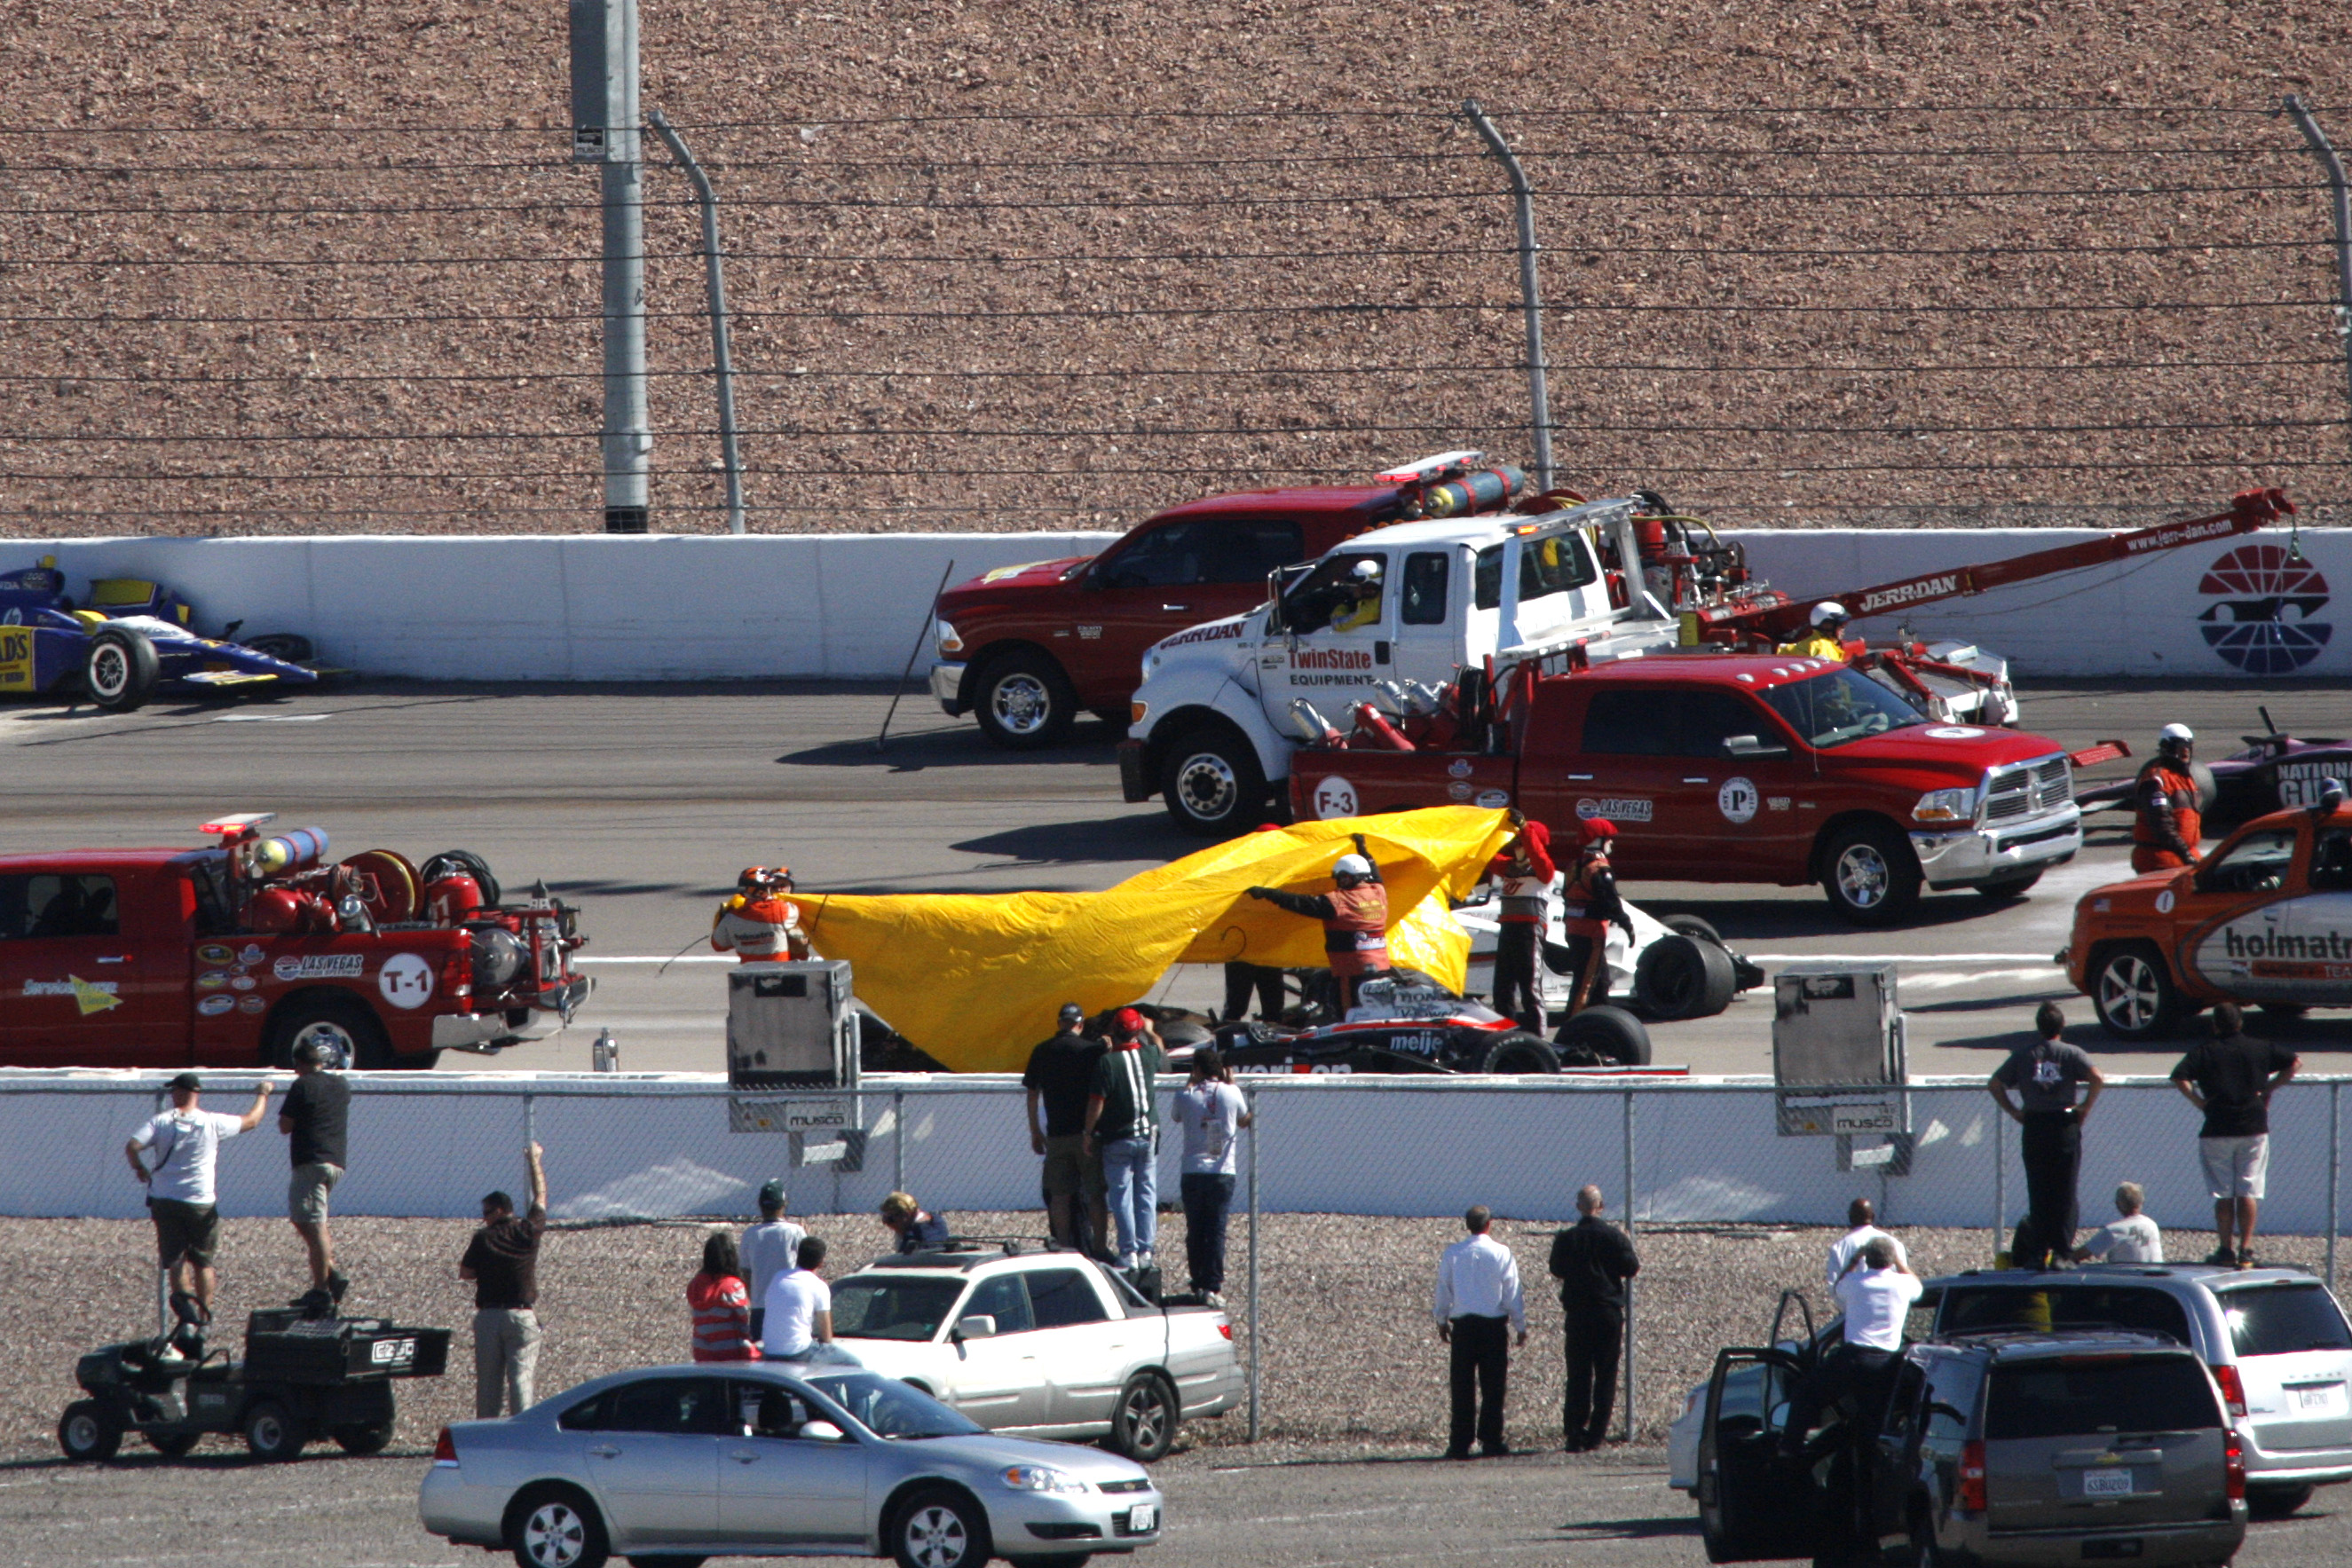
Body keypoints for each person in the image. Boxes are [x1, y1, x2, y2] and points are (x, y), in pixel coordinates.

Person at [125, 1071, 273, 1326]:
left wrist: (140, 1168)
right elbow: (251, 1121)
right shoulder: (212, 1122)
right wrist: (263, 1094)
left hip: (166, 1199)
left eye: (174, 1091)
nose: (172, 1095)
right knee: (203, 1261)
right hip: (200, 1202)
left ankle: (186, 1318)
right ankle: (205, 1317)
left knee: (176, 1260)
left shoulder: (160, 1122)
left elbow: (133, 1146)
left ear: (181, 1092)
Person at [2171, 1003, 2300, 1267]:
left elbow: (2179, 1076)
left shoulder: (2204, 1051)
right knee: (2249, 1189)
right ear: (2240, 1022)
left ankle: (2225, 1248)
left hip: (2217, 1126)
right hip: (2253, 1125)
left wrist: (2199, 1102)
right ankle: (2247, 1248)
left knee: (2223, 1193)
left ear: (2215, 1024)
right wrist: (2268, 1089)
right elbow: (2294, 1062)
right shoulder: (2259, 1047)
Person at [1781, 1236, 1919, 1460]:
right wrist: (1901, 1265)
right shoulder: (1904, 1284)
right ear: (1891, 1260)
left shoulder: (1855, 1282)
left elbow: (1838, 1288)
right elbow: (1917, 1287)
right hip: (1887, 1363)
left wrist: (1855, 1259)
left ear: (1868, 1258)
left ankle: (1791, 1447)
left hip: (1853, 1358)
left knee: (1806, 1394)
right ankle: (1872, 1463)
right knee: (1873, 1420)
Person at [1988, 1001, 2103, 1268]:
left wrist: (2015, 1111)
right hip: (2063, 1124)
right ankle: (2063, 1251)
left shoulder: (2024, 1054)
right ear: (2062, 1026)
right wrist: (2085, 1107)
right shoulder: (2071, 1053)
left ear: (2039, 1027)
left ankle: (2039, 1250)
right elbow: (2097, 1077)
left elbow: (1995, 1084)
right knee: (2065, 1190)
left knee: (2039, 1190)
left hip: (2035, 1124)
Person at [1244, 831, 1391, 1011]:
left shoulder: (1339, 901)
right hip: (1381, 968)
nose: (1339, 883)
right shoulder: (1378, 892)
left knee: (1350, 1012)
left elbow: (1300, 903)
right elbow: (1374, 874)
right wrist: (1363, 850)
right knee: (1378, 1009)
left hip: (1351, 971)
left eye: (1342, 878)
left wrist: (1268, 893)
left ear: (1350, 878)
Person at [460, 1140, 548, 1418]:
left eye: (487, 1212)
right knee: (521, 1379)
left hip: (489, 1316)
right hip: (521, 1315)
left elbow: (465, 1273)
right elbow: (541, 1197)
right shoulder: (528, 1231)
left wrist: (487, 1270)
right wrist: (535, 1160)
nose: (483, 1218)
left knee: (488, 1385)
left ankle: (486, 1434)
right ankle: (524, 1434)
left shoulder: (483, 1238)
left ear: (499, 1210)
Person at [1549, 1184, 1639, 1453]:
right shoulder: (1614, 1237)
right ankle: (1597, 1434)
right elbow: (1631, 1268)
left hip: (1578, 1312)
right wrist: (1626, 1244)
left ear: (1579, 1207)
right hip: (1607, 1311)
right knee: (1606, 1373)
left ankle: (1575, 1433)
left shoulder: (1567, 1239)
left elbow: (1557, 1268)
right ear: (1601, 1207)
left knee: (1578, 1373)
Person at [1433, 1204, 1527, 1460]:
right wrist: (1520, 1325)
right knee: (1493, 1386)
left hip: (1463, 1326)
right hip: (1493, 1326)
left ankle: (1460, 1442)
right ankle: (1491, 1439)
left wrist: (1441, 1320)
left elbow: (1444, 1288)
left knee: (1462, 1386)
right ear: (1489, 1224)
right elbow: (1511, 1291)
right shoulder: (1501, 1253)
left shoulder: (1453, 1253)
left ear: (1467, 1225)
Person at [1084, 1007, 1165, 1273]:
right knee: (1146, 1193)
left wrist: (1088, 1133)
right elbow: (1159, 1048)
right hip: (1147, 1135)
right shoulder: (1148, 1056)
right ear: (1137, 1030)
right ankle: (1146, 1251)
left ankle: (1128, 1251)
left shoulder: (1107, 1063)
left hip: (1118, 1137)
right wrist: (1151, 1032)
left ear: (1115, 1032)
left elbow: (1096, 1103)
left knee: (1121, 1196)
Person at [1024, 1002, 1109, 1252]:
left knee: (1059, 1195)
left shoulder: (1042, 1050)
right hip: (1087, 1134)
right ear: (1080, 1024)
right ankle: (1100, 1246)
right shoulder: (1091, 1051)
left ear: (1059, 1023)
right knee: (1095, 1194)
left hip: (1057, 1135)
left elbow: (1032, 1094)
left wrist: (1035, 1131)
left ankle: (1062, 1246)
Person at [1172, 1046, 1251, 1306]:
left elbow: (1176, 1117)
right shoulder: (1231, 1092)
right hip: (1222, 1172)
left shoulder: (1186, 1095)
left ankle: (1198, 1282)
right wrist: (1232, 1084)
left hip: (1193, 1171)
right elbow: (1244, 1119)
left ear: (1196, 1069)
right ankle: (1213, 1285)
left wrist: (1189, 1083)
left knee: (1195, 1229)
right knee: (1216, 1229)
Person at [279, 1039, 351, 1306]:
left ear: (299, 1064)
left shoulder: (302, 1085)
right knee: (311, 1219)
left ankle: (322, 1288)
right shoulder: (341, 1085)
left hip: (311, 1160)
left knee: (310, 1222)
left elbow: (285, 1125)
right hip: (336, 1161)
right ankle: (329, 1272)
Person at [1485, 811, 1558, 1032]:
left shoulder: (1544, 870)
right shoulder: (1508, 867)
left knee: (1530, 988)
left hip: (1530, 931)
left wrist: (1525, 829)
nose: (1515, 842)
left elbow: (1538, 855)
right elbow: (1485, 856)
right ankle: (1503, 1032)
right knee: (1502, 989)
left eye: (1520, 839)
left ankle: (1538, 1035)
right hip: (1508, 929)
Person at [1559, 818, 1629, 1014]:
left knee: (1601, 980)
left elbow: (1567, 896)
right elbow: (1611, 901)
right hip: (1591, 933)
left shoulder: (1573, 867)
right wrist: (1626, 923)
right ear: (1599, 840)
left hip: (1573, 929)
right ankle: (1573, 1024)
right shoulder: (1600, 870)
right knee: (1586, 983)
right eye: (1609, 839)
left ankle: (1600, 1017)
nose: (1611, 843)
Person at [762, 1236, 859, 1365]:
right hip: (799, 1352)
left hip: (770, 1351)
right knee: (854, 1363)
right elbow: (826, 1337)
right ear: (821, 1262)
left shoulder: (778, 1277)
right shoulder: (818, 1285)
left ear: (798, 1256)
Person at [2131, 724, 2203, 874]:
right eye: (2180, 747)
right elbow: (2161, 825)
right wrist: (2186, 854)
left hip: (2184, 856)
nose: (2185, 752)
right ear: (2167, 748)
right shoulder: (2156, 780)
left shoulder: (2186, 777)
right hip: (2160, 859)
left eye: (2188, 747)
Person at [739, 1180, 805, 1343]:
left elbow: (746, 1271)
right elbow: (806, 1265)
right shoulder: (795, 1231)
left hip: (760, 1305)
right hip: (788, 1302)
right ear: (783, 1205)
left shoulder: (750, 1234)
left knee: (760, 1352)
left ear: (760, 1206)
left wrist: (753, 1296)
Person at [710, 865, 810, 960]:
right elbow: (794, 913)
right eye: (771, 887)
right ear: (763, 890)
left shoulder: (731, 918)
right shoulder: (781, 909)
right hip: (781, 971)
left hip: (749, 973)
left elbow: (719, 945)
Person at [688, 1230, 760, 1361]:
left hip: (702, 1352)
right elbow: (743, 1324)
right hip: (731, 1353)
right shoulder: (733, 1286)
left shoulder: (696, 1284)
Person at [1823, 1197, 1908, 1290]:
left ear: (1850, 1217)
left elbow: (1834, 1288)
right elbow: (1907, 1283)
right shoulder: (1894, 1244)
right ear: (1873, 1217)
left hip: (1852, 1303)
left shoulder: (1838, 1248)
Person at [2072, 1182, 2165, 1265]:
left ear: (2118, 1204)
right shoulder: (2152, 1225)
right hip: (2155, 1276)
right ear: (2141, 1202)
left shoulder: (2115, 1230)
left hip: (2128, 1279)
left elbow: (2083, 1253)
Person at [878, 1191, 951, 1254]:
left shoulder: (912, 1239)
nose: (887, 1224)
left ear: (906, 1215)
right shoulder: (938, 1221)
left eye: (890, 1220)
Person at [1779, 601, 1852, 662]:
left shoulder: (1808, 640)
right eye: (1841, 624)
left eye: (1845, 623)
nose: (1844, 627)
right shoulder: (1823, 647)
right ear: (1827, 625)